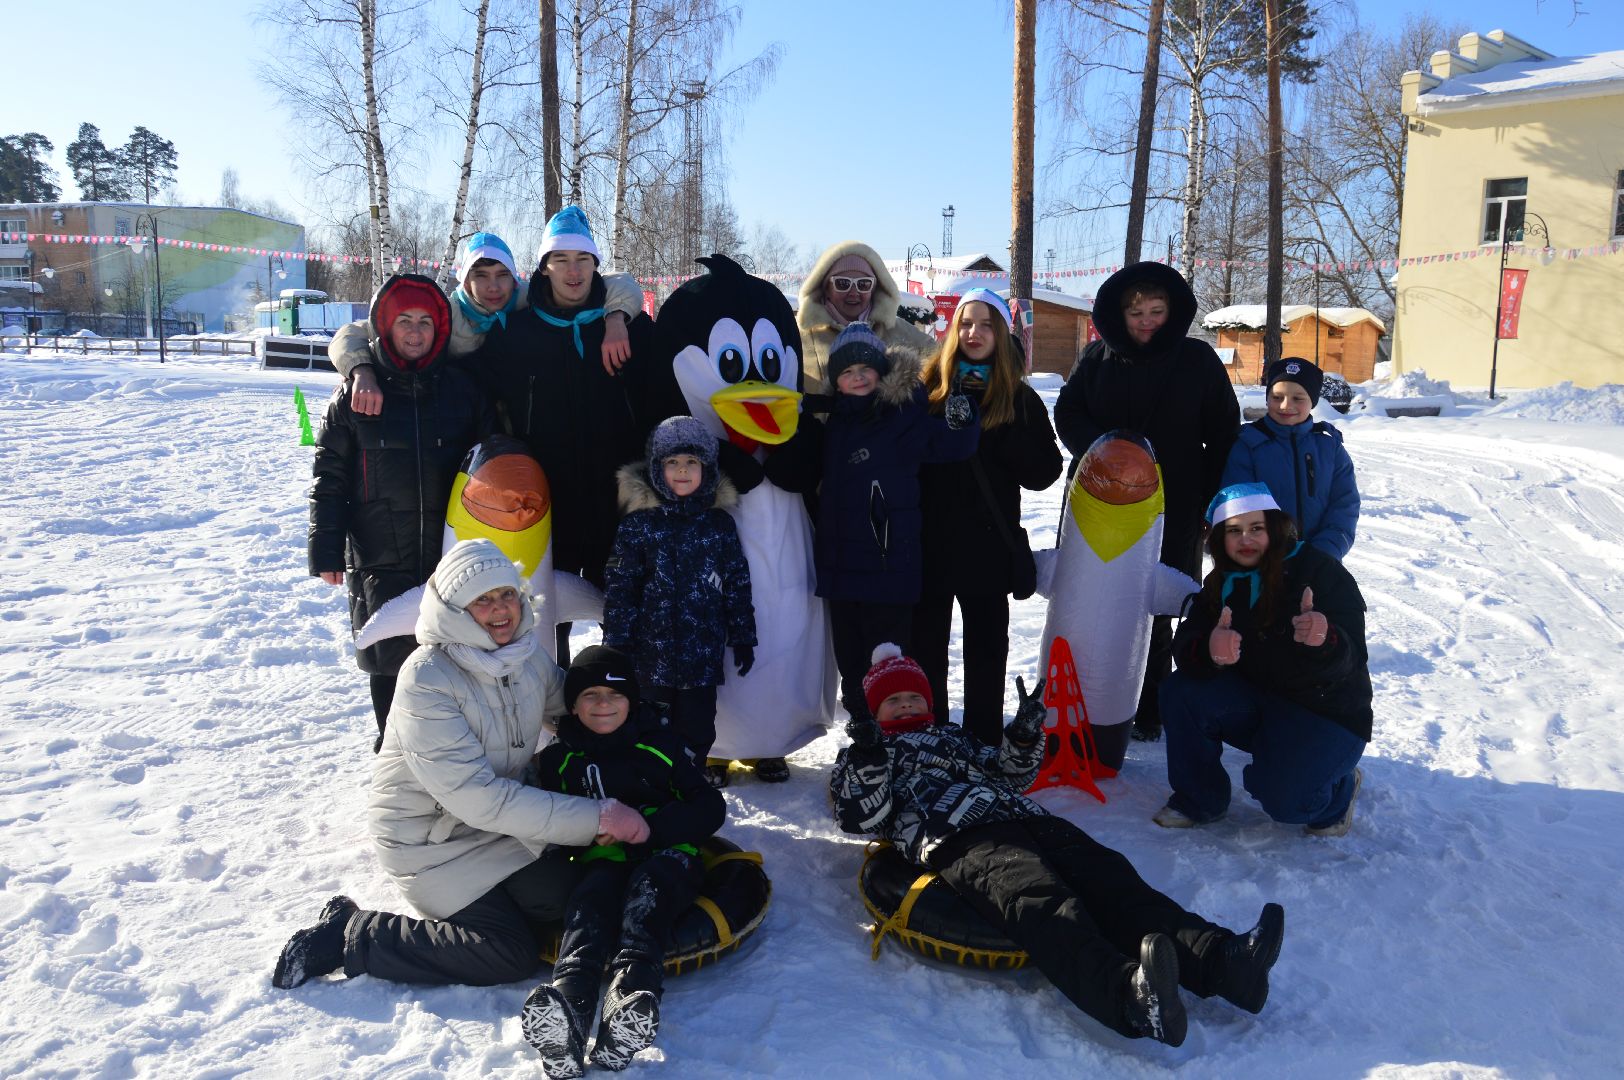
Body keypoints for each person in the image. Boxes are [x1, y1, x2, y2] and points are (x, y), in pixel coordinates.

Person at [830, 644, 1286, 1047]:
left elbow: (1010, 773)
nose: (906, 704)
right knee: (1040, 902)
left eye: (913, 696)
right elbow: (859, 815)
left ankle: (1223, 961)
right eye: (893, 700)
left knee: (1113, 879)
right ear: (874, 712)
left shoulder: (952, 737)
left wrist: (1025, 734)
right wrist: (869, 756)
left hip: (1026, 818)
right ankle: (1129, 996)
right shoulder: (865, 753)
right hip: (959, 835)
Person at [272, 540, 651, 990]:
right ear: (454, 609)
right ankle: (352, 935)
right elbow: (479, 799)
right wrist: (599, 817)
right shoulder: (427, 678)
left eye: (507, 594)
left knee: (570, 898)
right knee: (506, 955)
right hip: (431, 844)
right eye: (483, 600)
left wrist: (650, 751)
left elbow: (574, 708)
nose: (501, 610)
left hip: (500, 826)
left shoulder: (523, 654)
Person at [1053, 261, 1239, 742]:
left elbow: (1223, 433)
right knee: (1090, 597)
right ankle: (1080, 697)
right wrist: (1104, 450)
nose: (1147, 321)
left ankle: (1151, 704)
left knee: (1157, 602)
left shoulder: (1198, 360)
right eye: (1137, 312)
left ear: (1173, 311)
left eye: (1157, 310)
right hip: (1097, 504)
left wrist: (1214, 504)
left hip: (1173, 506)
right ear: (1119, 312)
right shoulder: (1096, 358)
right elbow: (1068, 411)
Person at [519, 645, 726, 1076]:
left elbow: (709, 807)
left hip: (669, 855)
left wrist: (652, 829)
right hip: (604, 857)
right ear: (572, 705)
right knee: (589, 903)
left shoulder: (663, 746)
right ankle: (568, 1013)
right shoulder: (559, 760)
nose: (603, 704)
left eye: (614, 695)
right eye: (590, 696)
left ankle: (627, 1004)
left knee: (647, 896)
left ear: (631, 701)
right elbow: (548, 814)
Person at [307, 273, 494, 750]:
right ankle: (394, 758)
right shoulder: (354, 396)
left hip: (448, 553)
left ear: (440, 329)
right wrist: (325, 546)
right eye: (405, 321)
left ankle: (458, 759)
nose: (415, 332)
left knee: (456, 658)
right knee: (390, 661)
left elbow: (490, 464)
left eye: (426, 323)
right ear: (385, 327)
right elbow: (330, 477)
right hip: (379, 553)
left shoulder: (462, 391)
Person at [1154, 483, 1372, 836]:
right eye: (1233, 531)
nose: (1246, 540)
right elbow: (1187, 643)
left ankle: (1339, 792)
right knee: (1181, 691)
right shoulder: (1219, 582)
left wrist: (1325, 638)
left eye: (1256, 528)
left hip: (1325, 711)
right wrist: (1208, 649)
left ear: (1275, 527)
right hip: (1261, 702)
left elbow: (1351, 657)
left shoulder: (1319, 572)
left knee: (1287, 804)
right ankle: (1201, 799)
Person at [812, 321, 979, 727]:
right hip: (840, 569)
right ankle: (864, 739)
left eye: (865, 370)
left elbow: (953, 445)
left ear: (881, 373)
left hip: (887, 566)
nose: (857, 378)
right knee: (851, 663)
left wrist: (965, 412)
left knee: (887, 659)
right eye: (847, 372)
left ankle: (899, 737)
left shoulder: (900, 417)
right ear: (837, 379)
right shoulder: (832, 424)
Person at [916, 289, 1062, 746]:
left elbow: (1045, 472)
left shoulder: (1018, 398)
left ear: (1000, 334)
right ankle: (930, 737)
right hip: (930, 545)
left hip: (988, 547)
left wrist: (992, 436)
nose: (974, 333)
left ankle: (982, 741)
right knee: (925, 651)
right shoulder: (928, 390)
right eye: (965, 323)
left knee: (986, 653)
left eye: (985, 325)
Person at [330, 230, 646, 416]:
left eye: (502, 276)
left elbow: (614, 282)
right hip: (458, 417)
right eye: (481, 276)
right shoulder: (442, 314)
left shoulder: (528, 299)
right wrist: (362, 371)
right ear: (465, 281)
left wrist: (616, 318)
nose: (494, 288)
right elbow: (351, 335)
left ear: (514, 277)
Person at [603, 415, 757, 781]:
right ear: (658, 468)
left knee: (698, 728)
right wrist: (617, 643)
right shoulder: (638, 525)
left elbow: (736, 583)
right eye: (672, 463)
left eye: (692, 462)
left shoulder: (719, 525)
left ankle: (691, 781)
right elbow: (620, 585)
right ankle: (652, 786)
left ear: (707, 467)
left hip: (701, 656)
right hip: (649, 657)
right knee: (650, 728)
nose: (682, 471)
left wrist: (743, 636)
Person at [1221, 356, 1360, 561]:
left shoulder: (1330, 448)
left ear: (1312, 401)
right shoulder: (1248, 445)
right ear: (1267, 398)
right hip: (1262, 562)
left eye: (1298, 398)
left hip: (1318, 561)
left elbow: (1345, 505)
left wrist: (1324, 553)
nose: (1286, 405)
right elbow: (1238, 505)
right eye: (1277, 397)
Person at [796, 241, 938, 395]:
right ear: (826, 288)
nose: (853, 292)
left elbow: (945, 360)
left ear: (874, 289)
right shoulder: (800, 337)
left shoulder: (900, 330)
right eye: (842, 283)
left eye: (863, 284)